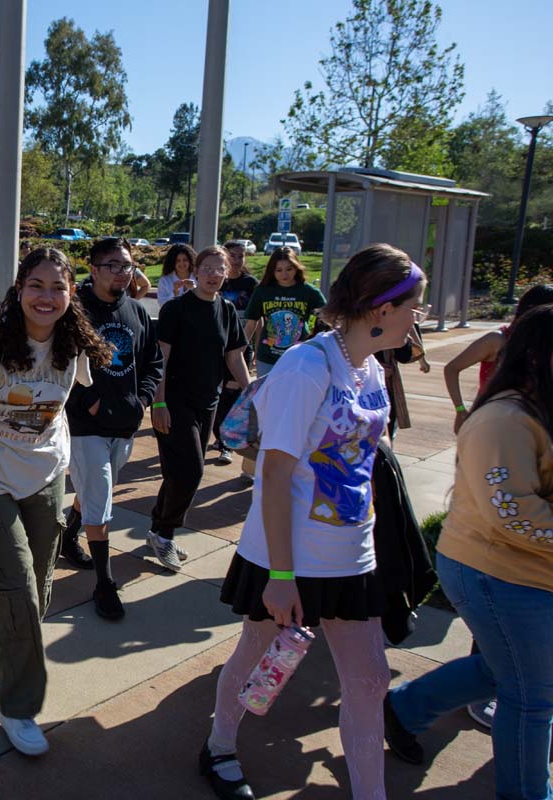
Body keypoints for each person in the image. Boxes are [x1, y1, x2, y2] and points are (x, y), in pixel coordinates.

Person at [201, 243, 426, 800]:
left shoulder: (371, 366)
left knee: (371, 679)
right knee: (254, 653)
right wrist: (281, 577)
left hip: (353, 555)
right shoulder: (307, 366)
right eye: (413, 305)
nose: (417, 316)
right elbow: (272, 477)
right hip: (287, 558)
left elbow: (370, 457)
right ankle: (219, 747)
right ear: (380, 308)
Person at [381, 305, 553, 800]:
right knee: (532, 696)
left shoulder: (541, 409)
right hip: (495, 571)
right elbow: (513, 512)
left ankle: (406, 708)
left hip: (528, 570)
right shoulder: (503, 420)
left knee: (507, 669)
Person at [0, 246, 111, 758]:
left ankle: (4, 669)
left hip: (45, 481)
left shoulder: (72, 344)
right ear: (18, 290)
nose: (47, 297)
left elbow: (69, 403)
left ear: (71, 295)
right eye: (36, 286)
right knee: (17, 589)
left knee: (37, 594)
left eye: (58, 287)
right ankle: (20, 706)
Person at [62, 238, 163, 619]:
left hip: (125, 423)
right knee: (101, 504)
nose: (122, 273)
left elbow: (153, 361)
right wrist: (86, 401)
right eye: (113, 266)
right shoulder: (75, 310)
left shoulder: (137, 311)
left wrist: (144, 400)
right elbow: (58, 363)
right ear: (93, 267)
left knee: (94, 493)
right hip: (85, 425)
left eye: (127, 266)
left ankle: (69, 534)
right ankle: (104, 584)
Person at [148, 246, 250, 571]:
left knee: (180, 472)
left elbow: (234, 357)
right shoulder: (177, 309)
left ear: (228, 271)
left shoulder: (228, 310)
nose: (213, 274)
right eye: (206, 267)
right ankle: (164, 533)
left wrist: (252, 395)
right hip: (175, 401)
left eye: (220, 268)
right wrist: (159, 402)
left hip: (209, 401)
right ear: (196, 270)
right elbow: (160, 359)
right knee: (191, 469)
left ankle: (159, 530)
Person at [444, 283, 553, 434]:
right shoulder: (496, 340)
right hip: (489, 422)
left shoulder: (542, 347)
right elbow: (451, 368)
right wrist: (460, 409)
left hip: (526, 424)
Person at [243, 247, 326, 378]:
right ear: (272, 271)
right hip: (268, 356)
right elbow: (251, 323)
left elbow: (327, 318)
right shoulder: (262, 291)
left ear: (296, 268)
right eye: (279, 270)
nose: (284, 275)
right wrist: (240, 352)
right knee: (267, 395)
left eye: (289, 269)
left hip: (299, 355)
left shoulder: (309, 291)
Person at [211, 240, 260, 464]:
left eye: (241, 256)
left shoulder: (250, 283)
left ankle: (226, 444)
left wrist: (246, 345)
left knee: (233, 392)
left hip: (240, 346)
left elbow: (255, 318)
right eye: (233, 255)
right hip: (215, 346)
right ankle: (219, 434)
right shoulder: (216, 281)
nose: (237, 260)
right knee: (216, 392)